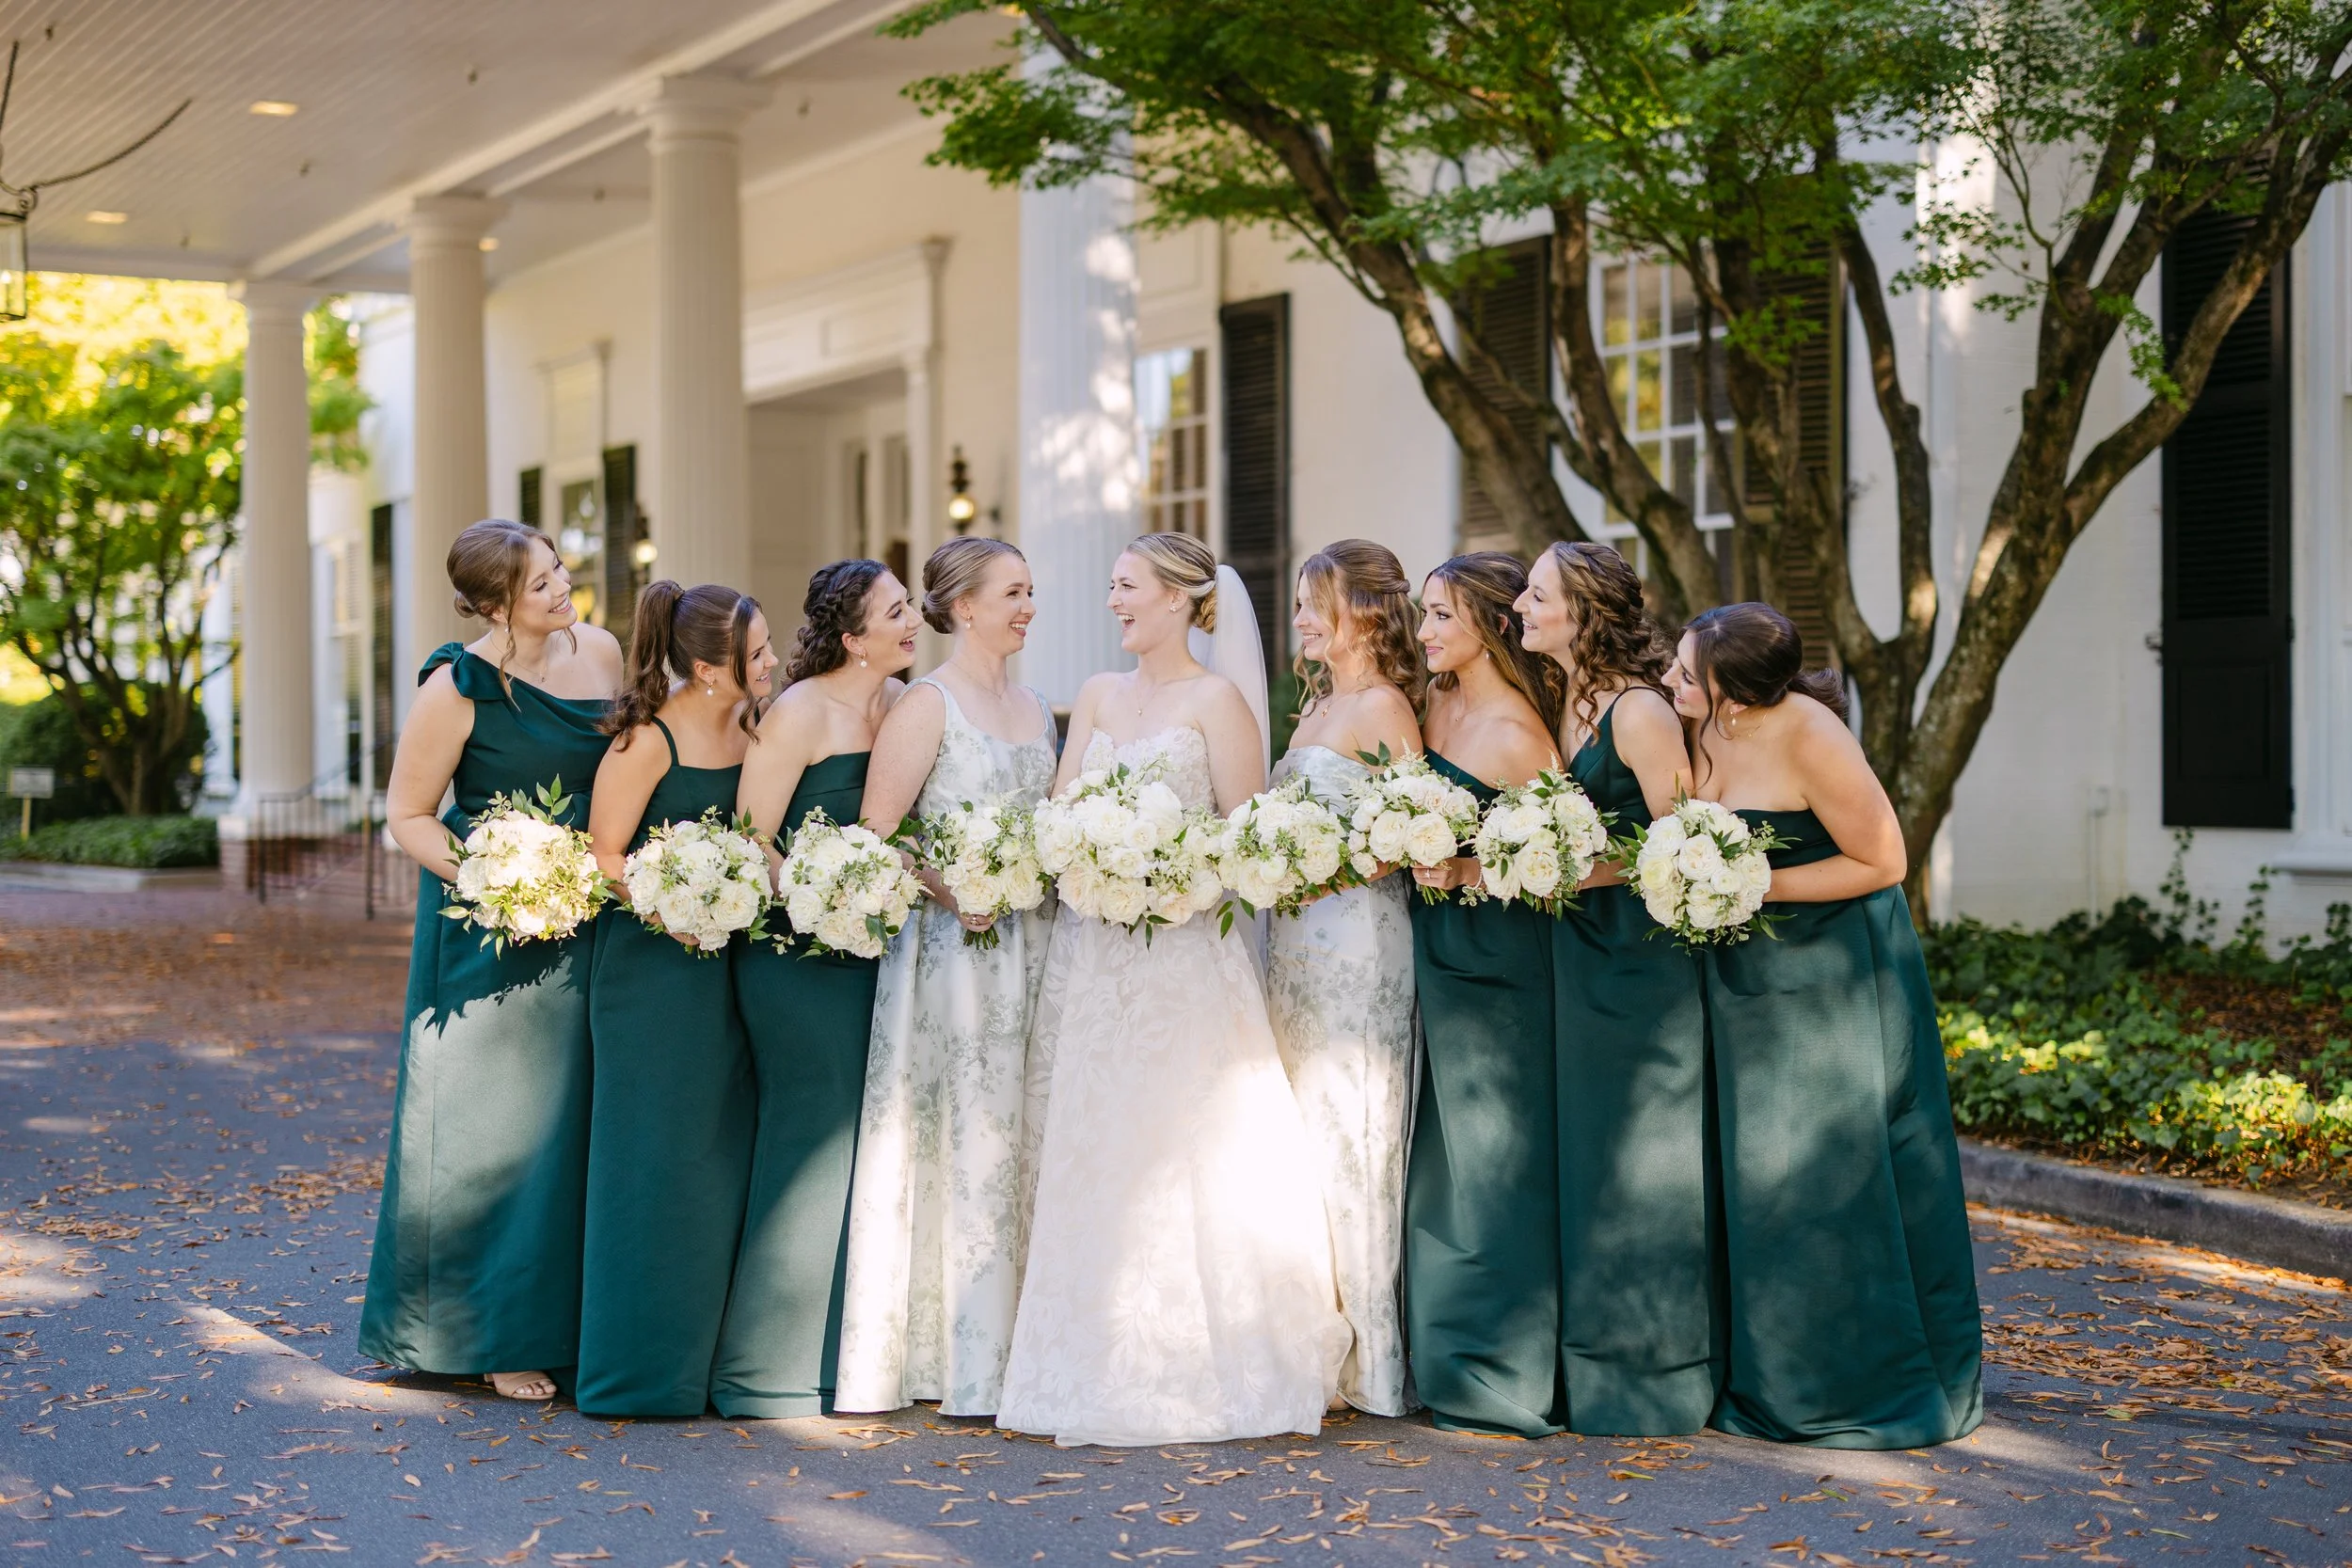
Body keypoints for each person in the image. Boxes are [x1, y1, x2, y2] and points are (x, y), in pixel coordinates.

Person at [996, 532, 1348, 1446]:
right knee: (1099, 1138)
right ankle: (1087, 1353)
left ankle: (1205, 1354)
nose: (1112, 600)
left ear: (1179, 599)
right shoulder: (1103, 696)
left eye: (1125, 586)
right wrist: (1089, 847)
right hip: (1100, 954)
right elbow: (1063, 808)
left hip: (1185, 951)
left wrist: (1165, 870)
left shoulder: (1218, 701)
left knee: (1189, 1144)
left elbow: (1243, 837)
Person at [1669, 602, 1982, 1449]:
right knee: (1754, 1174)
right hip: (1742, 978)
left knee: (1823, 1177)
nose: (1669, 681)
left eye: (1684, 671)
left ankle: (1850, 1383)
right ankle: (1762, 1373)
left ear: (1731, 690)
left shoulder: (1808, 732)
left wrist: (1752, 881)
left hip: (1830, 976)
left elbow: (1884, 860)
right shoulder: (1700, 729)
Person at [361, 519, 623, 1404]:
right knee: (488, 1129)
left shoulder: (606, 654)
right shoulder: (456, 686)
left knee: (568, 1128)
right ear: (493, 604)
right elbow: (409, 814)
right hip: (487, 934)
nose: (561, 587)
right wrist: (496, 877)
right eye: (538, 583)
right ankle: (486, 1333)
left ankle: (572, 1324)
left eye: (558, 570)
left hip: (590, 923)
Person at [834, 538, 1060, 1417]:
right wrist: (952, 884)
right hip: (952, 961)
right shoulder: (927, 705)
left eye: (1031, 591)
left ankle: (1021, 1351)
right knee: (960, 1137)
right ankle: (947, 1357)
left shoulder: (1040, 706)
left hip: (1035, 945)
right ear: (963, 607)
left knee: (1021, 1134)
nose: (1028, 606)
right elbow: (879, 832)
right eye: (1013, 592)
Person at [1517, 541, 1718, 1434]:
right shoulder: (1563, 698)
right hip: (1577, 952)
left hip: (1640, 962)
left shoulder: (1638, 713)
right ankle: (1592, 1368)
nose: (1520, 604)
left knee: (1646, 1160)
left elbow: (1685, 849)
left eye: (1537, 593)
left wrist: (1572, 864)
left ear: (1584, 612)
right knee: (1591, 1161)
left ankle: (1656, 1375)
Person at [709, 560, 915, 1419]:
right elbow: (752, 837)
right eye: (897, 610)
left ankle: (852, 1352)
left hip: (876, 948)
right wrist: (820, 899)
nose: (913, 620)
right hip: (795, 956)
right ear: (854, 636)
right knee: (809, 1138)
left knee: (868, 1140)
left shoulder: (906, 707)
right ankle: (766, 1364)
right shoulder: (798, 712)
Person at [574, 581, 775, 1418]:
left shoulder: (758, 726)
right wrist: (676, 908)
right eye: (757, 653)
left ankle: (705, 1366)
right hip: (651, 976)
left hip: (733, 969)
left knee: (714, 1158)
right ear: (708, 667)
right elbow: (604, 852)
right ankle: (635, 1371)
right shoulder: (646, 739)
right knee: (652, 1159)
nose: (772, 662)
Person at [1405, 551, 1567, 1437]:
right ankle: (1440, 1345)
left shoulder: (1518, 735)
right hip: (1431, 947)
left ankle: (1501, 1363)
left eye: (1440, 616)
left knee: (1489, 1157)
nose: (1424, 631)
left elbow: (1557, 865)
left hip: (1498, 963)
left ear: (1491, 625)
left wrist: (1467, 863)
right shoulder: (1435, 702)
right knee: (1437, 1155)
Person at [1265, 540, 1422, 1418]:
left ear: (1360, 611)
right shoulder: (1316, 706)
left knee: (1353, 1125)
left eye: (1309, 600)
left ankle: (1370, 1354)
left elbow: (1409, 832)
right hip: (1291, 944)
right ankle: (1312, 1335)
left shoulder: (1387, 706)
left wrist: (1315, 875)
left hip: (1357, 944)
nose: (1296, 618)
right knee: (1299, 1130)